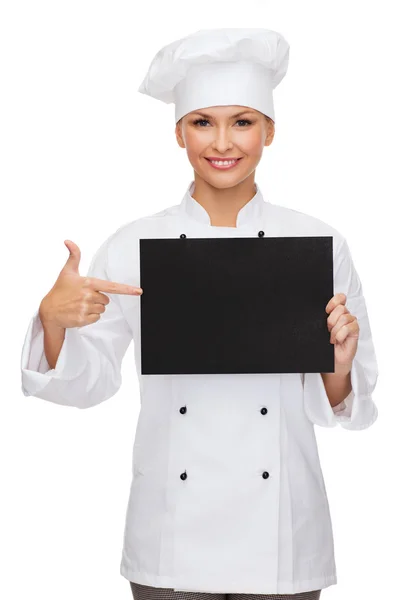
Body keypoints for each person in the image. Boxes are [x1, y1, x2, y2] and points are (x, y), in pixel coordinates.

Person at [20, 28, 379, 600]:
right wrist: (55, 321)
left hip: (282, 541)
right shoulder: (133, 243)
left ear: (270, 131)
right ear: (179, 133)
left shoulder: (319, 242)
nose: (223, 142)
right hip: (172, 539)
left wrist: (338, 361)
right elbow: (89, 383)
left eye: (242, 121)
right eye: (202, 122)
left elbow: (347, 407)